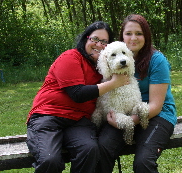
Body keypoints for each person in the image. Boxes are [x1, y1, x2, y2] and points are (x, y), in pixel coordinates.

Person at [26, 21, 129, 173]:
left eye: (104, 42)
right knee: (50, 160)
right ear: (85, 39)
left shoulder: (103, 69)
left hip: (78, 121)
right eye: (94, 39)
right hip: (48, 116)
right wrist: (114, 83)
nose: (99, 44)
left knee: (89, 150)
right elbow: (77, 94)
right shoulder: (70, 57)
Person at [96, 14, 177, 173]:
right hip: (124, 112)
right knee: (102, 149)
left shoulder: (157, 60)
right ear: (122, 37)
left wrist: (129, 121)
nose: (133, 38)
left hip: (157, 115)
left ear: (146, 36)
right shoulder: (113, 61)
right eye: (128, 33)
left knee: (143, 162)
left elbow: (156, 105)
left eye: (139, 33)